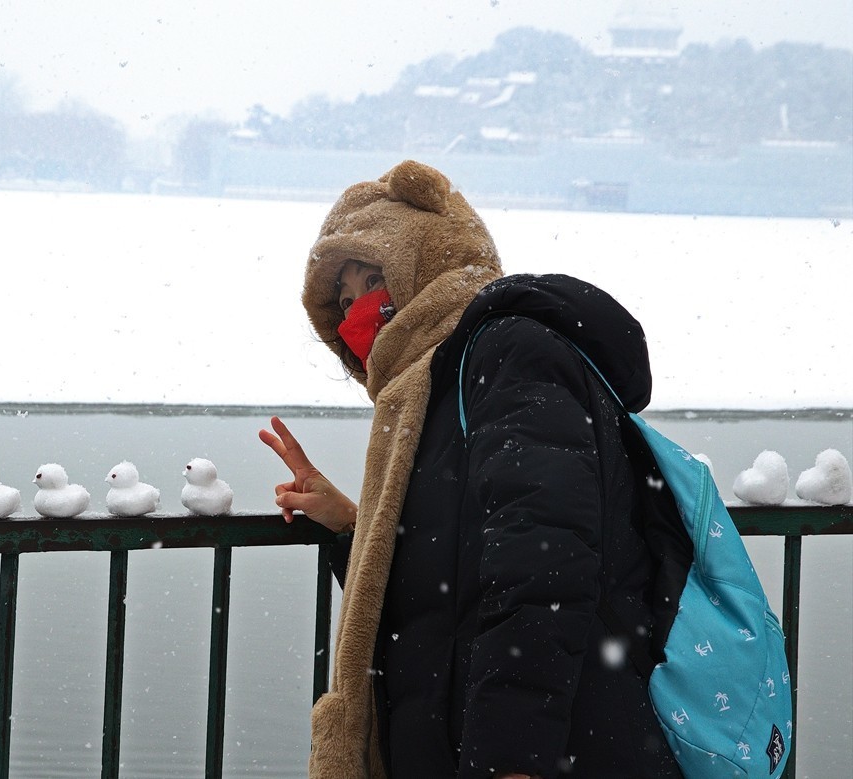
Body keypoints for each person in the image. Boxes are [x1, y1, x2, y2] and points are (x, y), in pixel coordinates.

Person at [259, 160, 682, 778]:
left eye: (374, 279)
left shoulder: (507, 354)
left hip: (553, 749)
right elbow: (444, 590)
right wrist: (354, 529)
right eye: (344, 301)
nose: (358, 313)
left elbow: (544, 563)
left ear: (428, 259)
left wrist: (512, 756)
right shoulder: (432, 392)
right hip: (461, 745)